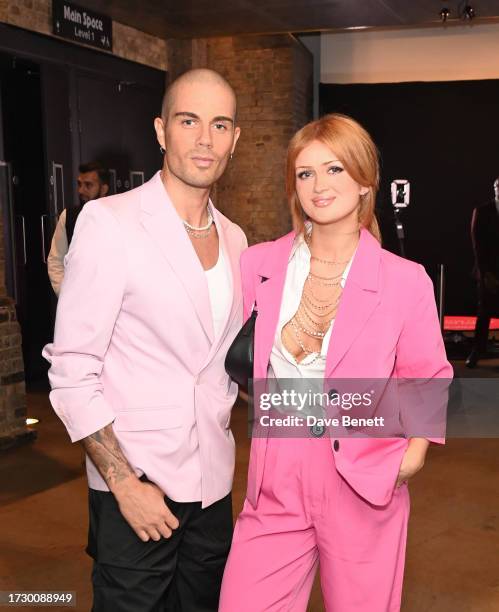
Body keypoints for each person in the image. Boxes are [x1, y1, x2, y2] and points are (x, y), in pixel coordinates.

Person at [219, 114, 452, 611]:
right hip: (276, 471)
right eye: (305, 173)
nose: (319, 185)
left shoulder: (405, 280)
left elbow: (426, 375)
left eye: (334, 169)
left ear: (365, 180)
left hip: (363, 473)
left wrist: (411, 458)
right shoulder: (257, 265)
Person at [42, 68, 246, 612]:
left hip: (213, 486)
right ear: (161, 131)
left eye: (220, 124)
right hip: (137, 488)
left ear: (235, 139)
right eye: (189, 120)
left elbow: (228, 364)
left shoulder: (236, 239)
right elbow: (72, 370)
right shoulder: (111, 223)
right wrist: (125, 484)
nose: (205, 139)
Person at [47, 162, 110, 296]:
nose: (81, 190)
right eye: (79, 184)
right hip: (78, 302)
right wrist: (66, 295)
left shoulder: (119, 215)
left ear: (103, 189)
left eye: (88, 185)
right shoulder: (68, 216)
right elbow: (55, 260)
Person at [466, 177, 499, 368]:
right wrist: (486, 273)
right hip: (488, 272)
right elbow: (477, 245)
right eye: (497, 186)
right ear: (494, 188)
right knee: (484, 312)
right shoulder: (483, 211)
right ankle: (476, 351)